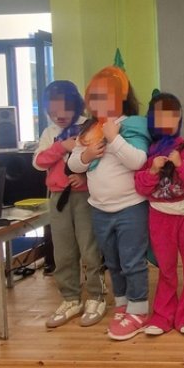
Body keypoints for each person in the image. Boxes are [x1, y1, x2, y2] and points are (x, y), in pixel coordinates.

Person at [68, 66, 150, 341]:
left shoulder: (133, 124)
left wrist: (114, 138)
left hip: (131, 208)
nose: (98, 102)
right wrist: (87, 155)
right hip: (100, 209)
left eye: (105, 96)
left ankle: (139, 310)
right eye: (94, 97)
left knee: (132, 261)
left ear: (121, 96)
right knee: (113, 262)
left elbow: (138, 161)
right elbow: (73, 163)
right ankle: (123, 304)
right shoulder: (89, 129)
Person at [33, 80, 105, 328]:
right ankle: (70, 298)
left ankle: (96, 296)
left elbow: (100, 158)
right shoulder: (49, 132)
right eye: (52, 111)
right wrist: (61, 146)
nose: (59, 115)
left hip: (84, 196)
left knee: (89, 248)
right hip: (57, 198)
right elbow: (38, 162)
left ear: (75, 105)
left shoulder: (88, 126)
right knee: (63, 251)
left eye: (63, 109)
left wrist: (84, 175)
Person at [134, 91, 184, 336]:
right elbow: (141, 187)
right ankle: (163, 315)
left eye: (173, 115)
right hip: (159, 217)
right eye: (162, 115)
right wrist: (153, 170)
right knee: (166, 269)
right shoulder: (147, 150)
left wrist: (181, 165)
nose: (168, 120)